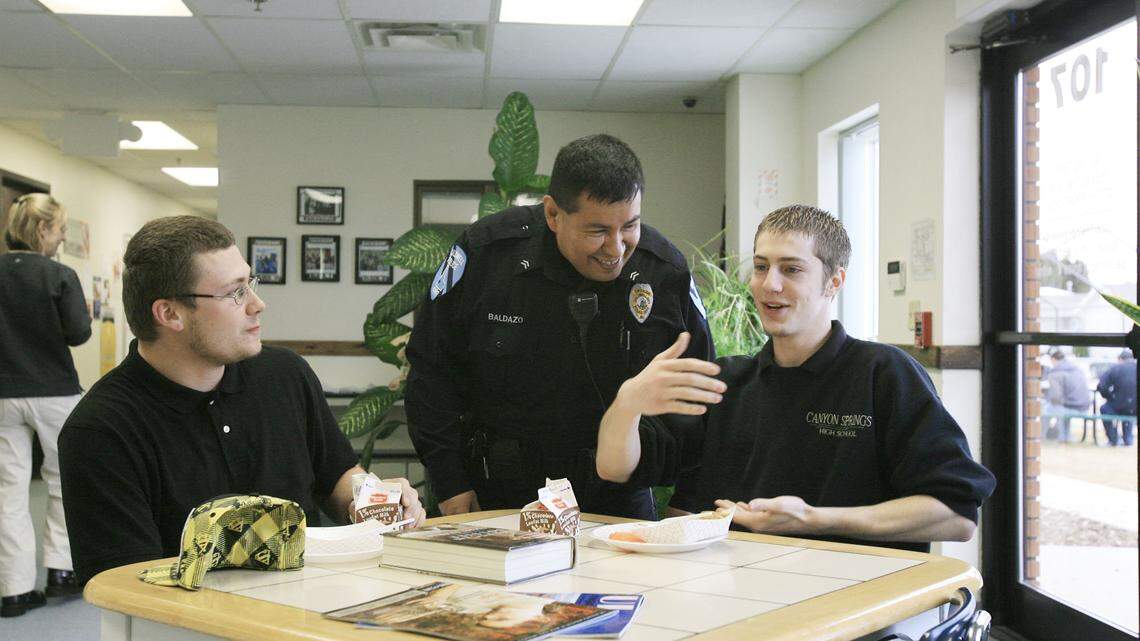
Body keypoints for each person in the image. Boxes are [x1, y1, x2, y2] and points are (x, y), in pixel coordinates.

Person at [596, 204, 995, 552]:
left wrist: (814, 519)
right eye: (760, 266)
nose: (770, 284)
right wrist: (627, 402)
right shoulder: (727, 383)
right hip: (736, 596)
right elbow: (616, 469)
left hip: (854, 603)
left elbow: (955, 516)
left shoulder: (883, 374)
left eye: (791, 269)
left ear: (834, 282)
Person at [58, 216, 425, 584]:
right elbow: (126, 586)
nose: (257, 304)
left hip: (313, 606)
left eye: (250, 283)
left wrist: (375, 500)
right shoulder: (100, 430)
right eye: (235, 293)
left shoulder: (285, 375)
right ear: (170, 314)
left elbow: (337, 474)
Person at [406, 134, 714, 520]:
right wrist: (450, 482)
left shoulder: (663, 272)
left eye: (630, 226)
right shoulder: (488, 255)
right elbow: (430, 374)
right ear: (553, 214)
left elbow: (701, 398)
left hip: (617, 502)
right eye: (597, 230)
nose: (616, 248)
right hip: (497, 493)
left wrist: (687, 504)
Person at [0, 194, 90, 617]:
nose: (61, 239)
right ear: (42, 231)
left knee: (8, 492)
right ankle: (62, 571)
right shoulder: (59, 275)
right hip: (55, 391)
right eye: (60, 230)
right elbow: (78, 334)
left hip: (2, 395)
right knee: (63, 482)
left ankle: (14, 590)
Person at [1044, 348, 1092, 442]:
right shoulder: (1077, 369)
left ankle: (1043, 436)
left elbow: (1056, 396)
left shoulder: (1055, 373)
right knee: (1062, 406)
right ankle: (1066, 435)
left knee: (1045, 409)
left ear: (1053, 359)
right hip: (1084, 407)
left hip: (1070, 408)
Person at [1097, 349, 1136, 446]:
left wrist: (1109, 397)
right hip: (1135, 408)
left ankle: (1113, 438)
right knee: (1130, 411)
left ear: (1120, 359)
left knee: (1104, 409)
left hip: (1117, 405)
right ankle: (1128, 438)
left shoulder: (1115, 368)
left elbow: (1102, 386)